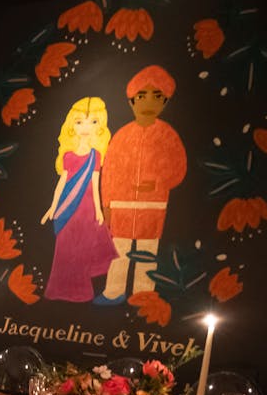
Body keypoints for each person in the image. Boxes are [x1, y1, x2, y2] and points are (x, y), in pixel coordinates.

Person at [96, 65, 187, 304]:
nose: (148, 102)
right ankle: (113, 292)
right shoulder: (122, 136)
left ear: (165, 102)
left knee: (147, 251)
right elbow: (109, 172)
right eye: (142, 96)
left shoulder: (168, 136)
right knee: (119, 252)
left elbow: (178, 169)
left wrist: (157, 183)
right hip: (122, 207)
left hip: (152, 206)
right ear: (132, 101)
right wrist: (107, 206)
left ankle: (143, 294)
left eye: (157, 96)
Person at [42, 96, 118, 302]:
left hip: (87, 211)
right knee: (65, 248)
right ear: (71, 125)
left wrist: (99, 210)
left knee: (82, 248)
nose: (85, 127)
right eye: (79, 121)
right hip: (67, 209)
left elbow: (95, 184)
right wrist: (53, 206)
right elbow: (62, 183)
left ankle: (81, 290)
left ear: (100, 126)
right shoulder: (67, 155)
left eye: (92, 121)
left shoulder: (96, 156)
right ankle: (59, 289)